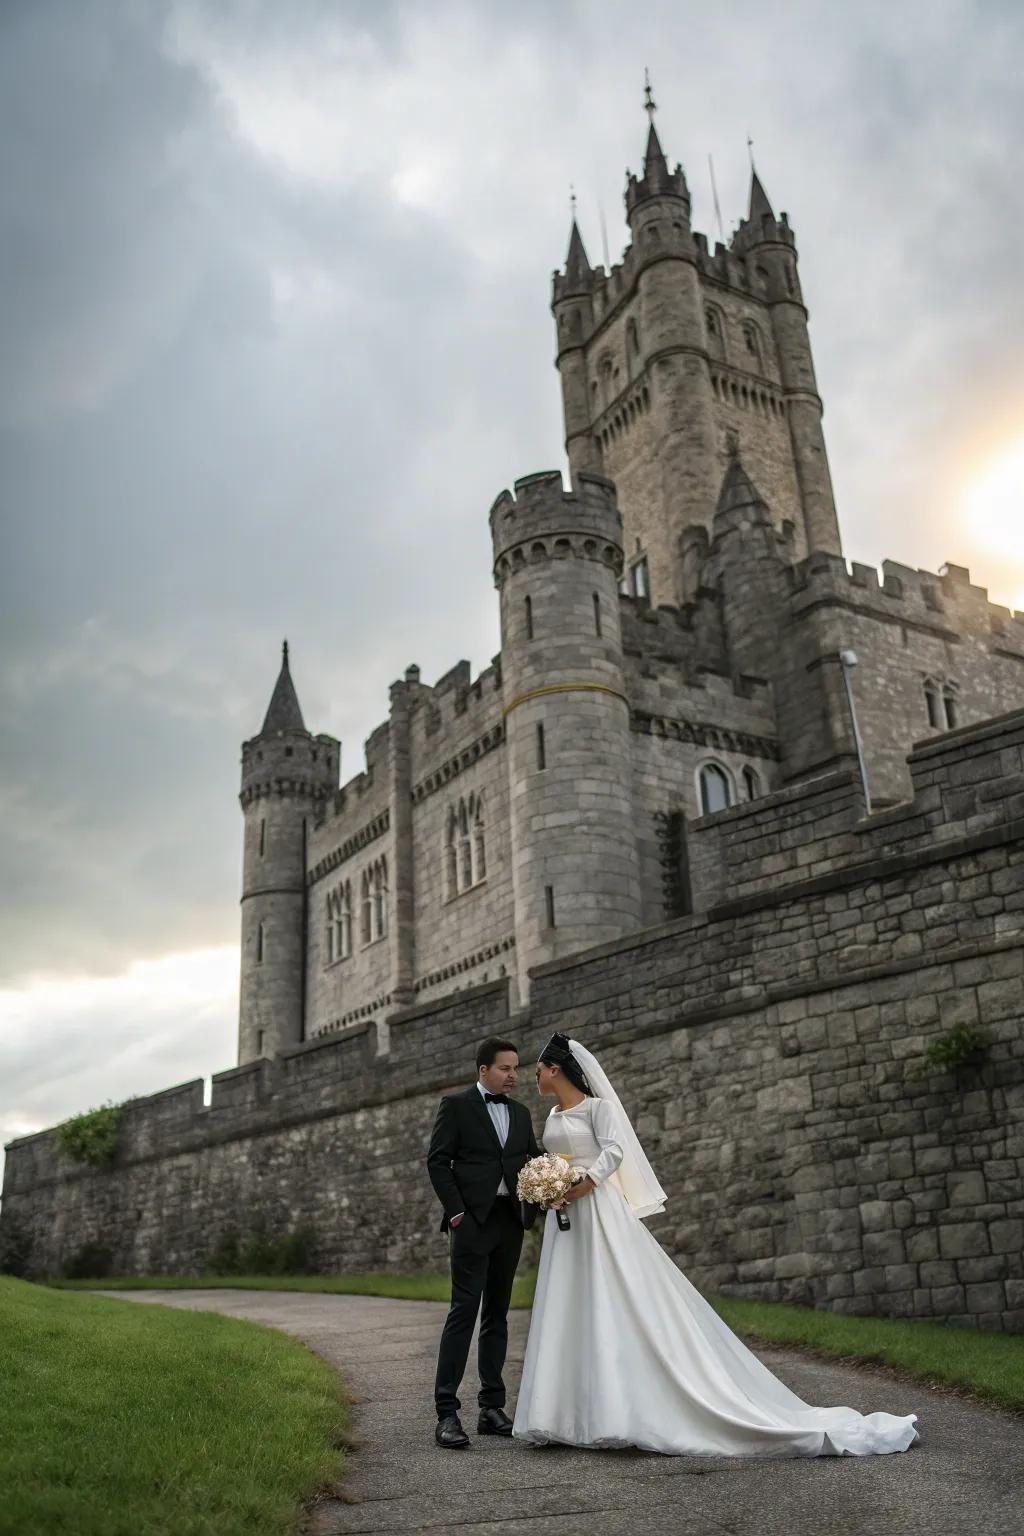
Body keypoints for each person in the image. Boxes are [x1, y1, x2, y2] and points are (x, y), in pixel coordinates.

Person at [513, 1032, 921, 1458]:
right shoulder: (555, 1115)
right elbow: (555, 1159)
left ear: (555, 1069)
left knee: (614, 1294)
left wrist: (586, 1181)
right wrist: (550, 1186)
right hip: (568, 1219)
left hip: (598, 1210)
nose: (535, 1077)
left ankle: (618, 1409)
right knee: (570, 1301)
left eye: (538, 1070)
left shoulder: (599, 1109)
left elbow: (615, 1152)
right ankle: (564, 1413)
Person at [427, 1035, 541, 1449]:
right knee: (464, 1312)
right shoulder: (456, 1107)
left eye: (515, 1068)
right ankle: (446, 1413)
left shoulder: (523, 1113)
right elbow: (437, 1160)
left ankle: (492, 1409)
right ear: (483, 1071)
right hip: (471, 1223)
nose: (513, 1075)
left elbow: (531, 1161)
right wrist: (457, 1213)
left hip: (509, 1223)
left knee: (497, 1315)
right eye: (505, 1068)